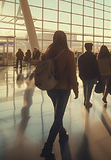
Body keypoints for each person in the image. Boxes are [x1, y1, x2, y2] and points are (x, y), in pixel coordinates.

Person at [40, 31, 79, 159]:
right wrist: (76, 89)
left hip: (50, 88)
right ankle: (47, 147)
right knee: (58, 117)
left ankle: (62, 133)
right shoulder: (68, 54)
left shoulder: (47, 53)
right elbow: (72, 74)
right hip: (63, 88)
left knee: (58, 111)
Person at [78, 43, 100, 108]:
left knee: (85, 87)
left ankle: (85, 100)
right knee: (89, 88)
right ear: (91, 48)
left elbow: (79, 67)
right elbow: (96, 67)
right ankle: (87, 101)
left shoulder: (81, 56)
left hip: (83, 75)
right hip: (91, 75)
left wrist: (80, 75)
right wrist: (98, 76)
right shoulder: (93, 56)